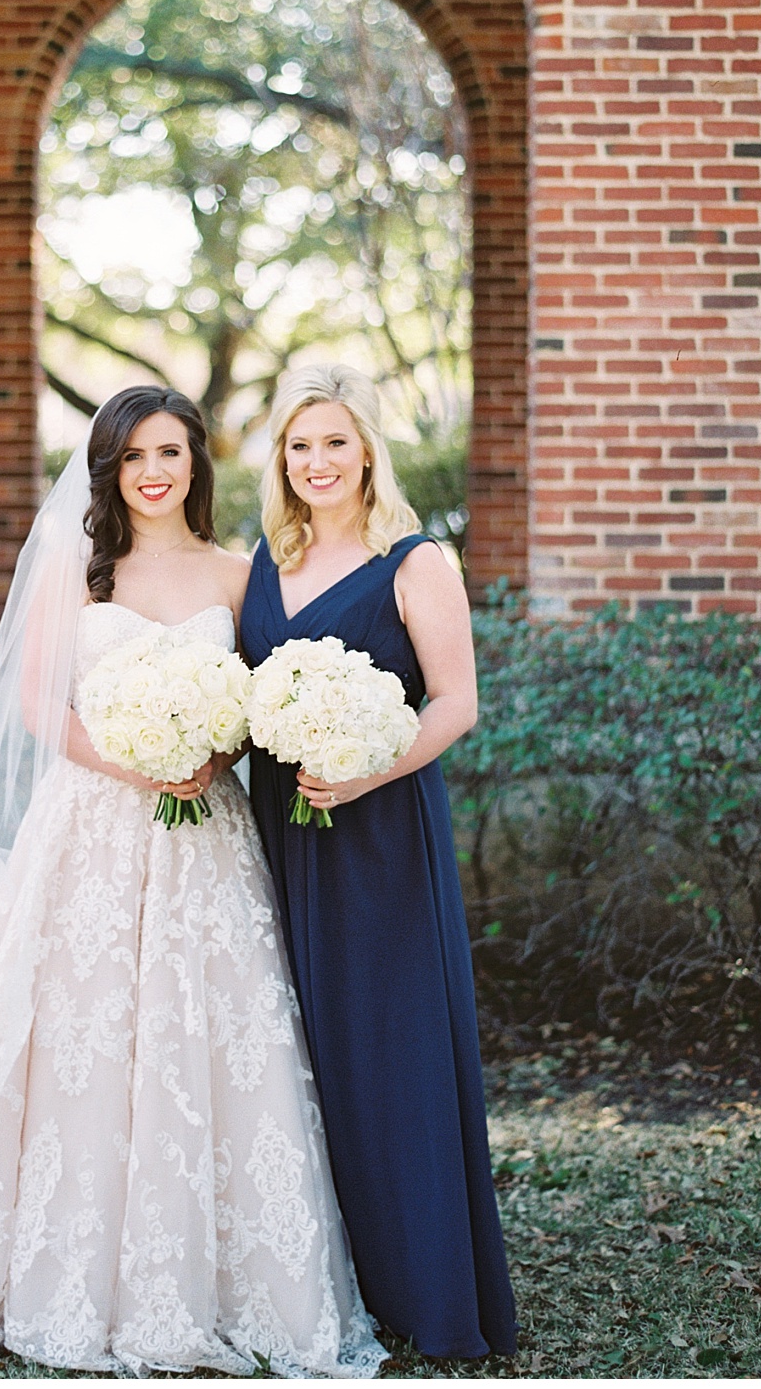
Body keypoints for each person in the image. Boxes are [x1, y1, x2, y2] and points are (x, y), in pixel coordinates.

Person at [0, 385, 386, 1378]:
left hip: (204, 837)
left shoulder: (240, 572)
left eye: (171, 453)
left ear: (197, 461)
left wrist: (212, 755)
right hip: (90, 831)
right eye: (133, 457)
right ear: (109, 472)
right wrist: (134, 764)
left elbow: (262, 700)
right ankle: (32, 1272)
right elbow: (34, 704)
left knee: (210, 1042)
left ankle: (212, 1285)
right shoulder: (78, 567)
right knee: (75, 1044)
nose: (153, 473)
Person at [240, 364, 517, 1360]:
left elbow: (455, 701)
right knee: (297, 1053)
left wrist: (365, 771)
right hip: (278, 829)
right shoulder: (264, 562)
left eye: (335, 443)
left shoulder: (416, 562)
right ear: (282, 458)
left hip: (379, 835)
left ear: (367, 452)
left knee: (387, 1047)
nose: (317, 462)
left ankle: (428, 1291)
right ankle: (323, 1283)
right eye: (299, 445)